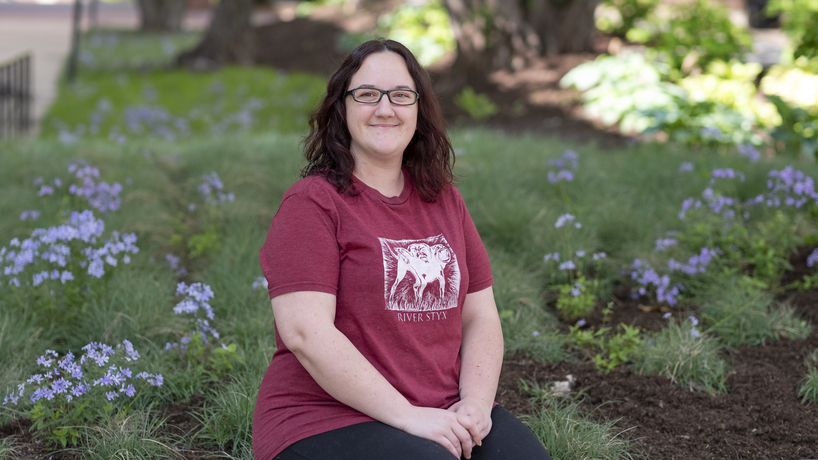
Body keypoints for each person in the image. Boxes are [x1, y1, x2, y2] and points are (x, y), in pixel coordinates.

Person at [254, 39, 552, 460]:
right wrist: (408, 416)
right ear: (342, 107)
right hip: (326, 417)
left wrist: (475, 405)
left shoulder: (444, 199)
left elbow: (480, 314)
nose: (385, 108)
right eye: (367, 94)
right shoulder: (313, 203)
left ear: (418, 109)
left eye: (400, 95)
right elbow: (306, 333)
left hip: (443, 404)